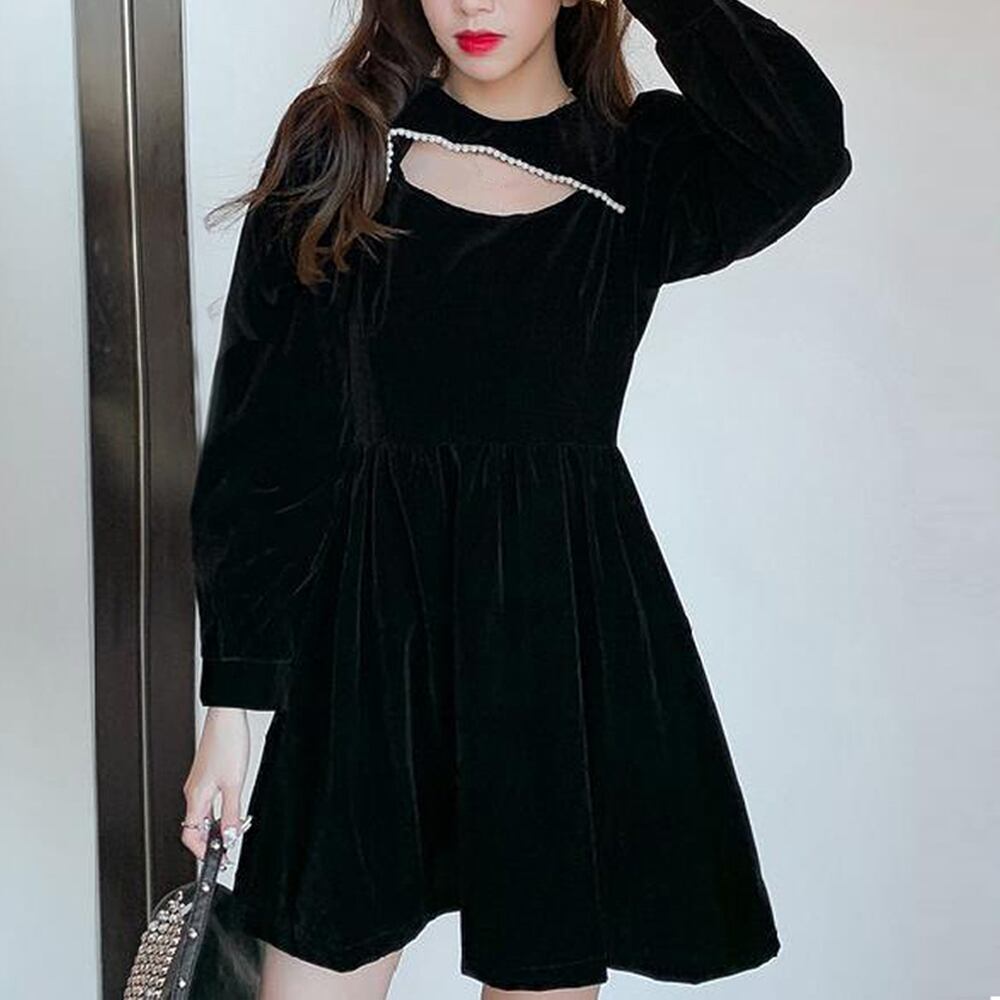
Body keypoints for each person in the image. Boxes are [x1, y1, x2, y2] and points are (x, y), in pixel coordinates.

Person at [180, 0, 852, 997]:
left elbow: (803, 146)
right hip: (368, 642)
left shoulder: (639, 162)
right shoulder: (345, 140)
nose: (473, 4)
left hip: (557, 635)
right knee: (318, 960)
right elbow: (262, 437)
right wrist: (233, 707)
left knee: (542, 967)